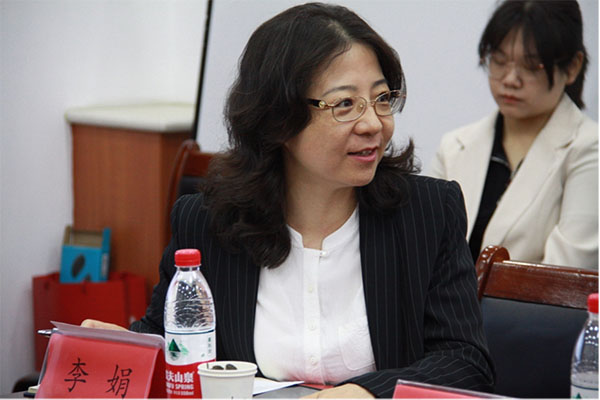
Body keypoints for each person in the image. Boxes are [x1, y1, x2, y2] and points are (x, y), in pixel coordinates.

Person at [84, 3, 494, 397]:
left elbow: (465, 362)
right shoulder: (208, 223)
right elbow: (173, 341)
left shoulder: (426, 213)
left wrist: (366, 393)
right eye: (345, 104)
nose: (373, 123)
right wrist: (128, 348)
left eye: (382, 98)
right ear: (278, 120)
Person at [429, 0, 598, 269]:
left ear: (572, 67)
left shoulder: (589, 149)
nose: (510, 79)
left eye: (531, 66)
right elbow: (424, 252)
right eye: (499, 61)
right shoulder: (454, 147)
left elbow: (565, 274)